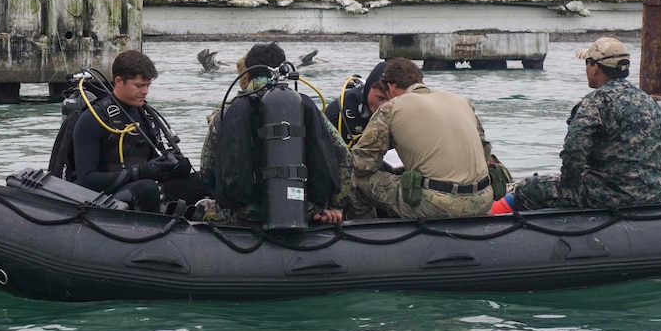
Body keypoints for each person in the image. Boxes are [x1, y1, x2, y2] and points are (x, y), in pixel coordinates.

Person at [200, 42, 349, 224]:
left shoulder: (227, 112)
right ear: (284, 69)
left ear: (247, 72)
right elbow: (344, 156)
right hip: (304, 209)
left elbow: (207, 172)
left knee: (202, 205)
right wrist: (335, 206)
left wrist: (227, 200)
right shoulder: (302, 106)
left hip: (244, 214)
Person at [512, 37, 661, 211]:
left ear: (595, 68)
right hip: (651, 192)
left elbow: (575, 149)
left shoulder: (596, 101)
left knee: (528, 188)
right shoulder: (647, 100)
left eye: (587, 63)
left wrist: (569, 182)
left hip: (609, 195)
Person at [350, 57, 494, 218]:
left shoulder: (390, 108)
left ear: (390, 86)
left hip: (436, 205)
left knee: (356, 181)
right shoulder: (461, 101)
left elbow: (362, 165)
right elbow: (485, 151)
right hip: (483, 199)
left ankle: (366, 234)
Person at [71, 49, 205, 212]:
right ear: (119, 81)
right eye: (139, 86)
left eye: (148, 85)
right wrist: (140, 172)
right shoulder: (93, 119)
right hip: (107, 198)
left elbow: (154, 162)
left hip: (149, 189)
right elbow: (86, 180)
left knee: (204, 179)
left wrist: (174, 168)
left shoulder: (146, 115)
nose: (145, 92)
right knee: (146, 188)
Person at [326, 61, 389, 145]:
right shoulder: (337, 113)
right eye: (380, 98)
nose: (386, 106)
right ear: (367, 90)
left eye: (394, 101)